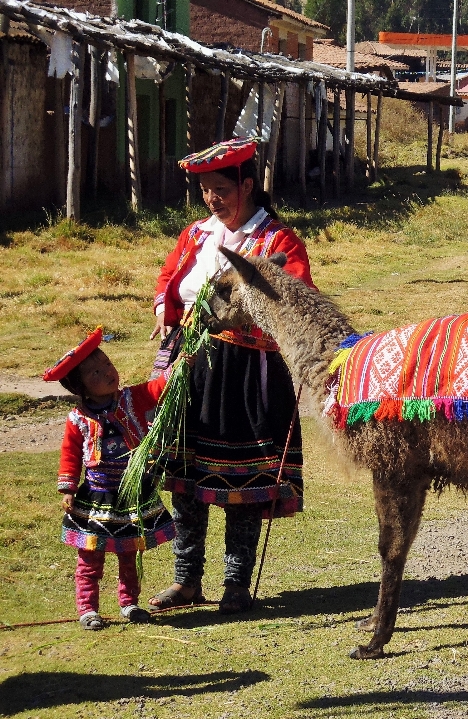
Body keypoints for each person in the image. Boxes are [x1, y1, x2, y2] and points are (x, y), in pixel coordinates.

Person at [148, 137, 316, 615]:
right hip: (190, 366)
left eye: (221, 189)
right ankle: (186, 582)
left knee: (241, 481)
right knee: (185, 477)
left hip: (248, 374)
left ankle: (236, 586)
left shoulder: (278, 242)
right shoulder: (197, 236)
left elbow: (294, 296)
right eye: (205, 191)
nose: (212, 200)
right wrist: (166, 307)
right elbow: (169, 282)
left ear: (247, 185)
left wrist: (244, 316)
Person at [44, 327, 177, 630]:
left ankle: (129, 603)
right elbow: (70, 454)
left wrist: (180, 367)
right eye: (95, 373)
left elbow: (159, 387)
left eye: (107, 364)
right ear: (82, 389)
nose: (107, 373)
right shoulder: (78, 419)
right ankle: (87, 608)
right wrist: (67, 489)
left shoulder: (132, 398)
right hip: (97, 496)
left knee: (129, 552)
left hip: (131, 494)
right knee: (91, 555)